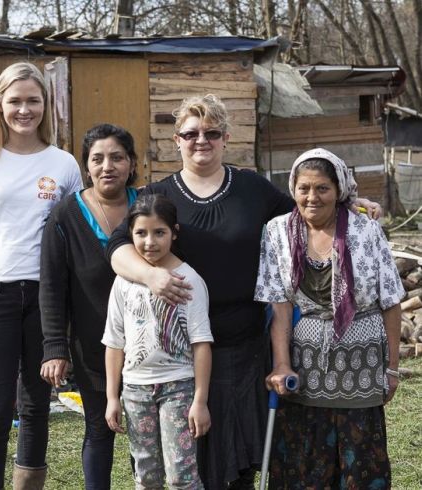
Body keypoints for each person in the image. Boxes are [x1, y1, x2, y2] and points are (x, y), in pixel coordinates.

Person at [107, 94, 382, 489]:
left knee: (238, 459)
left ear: (226, 138)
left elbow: (306, 212)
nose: (201, 140)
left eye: (211, 132)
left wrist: (352, 203)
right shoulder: (158, 196)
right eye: (190, 133)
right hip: (179, 354)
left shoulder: (253, 188)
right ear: (176, 140)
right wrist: (151, 277)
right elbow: (116, 247)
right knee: (187, 458)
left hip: (243, 347)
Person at [0, 62, 82, 490]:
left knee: (37, 405)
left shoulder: (63, 164)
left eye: (33, 101)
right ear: (0, 104)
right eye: (15, 101)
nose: (24, 110)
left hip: (46, 299)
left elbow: (76, 240)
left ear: (46, 105)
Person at [254, 148, 403, 489]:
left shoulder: (366, 230)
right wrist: (280, 364)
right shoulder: (277, 231)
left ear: (339, 191)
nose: (312, 196)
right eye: (304, 188)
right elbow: (278, 303)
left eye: (322, 188)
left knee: (360, 464)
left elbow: (391, 301)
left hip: (361, 368)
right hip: (304, 369)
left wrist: (392, 368)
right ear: (293, 188)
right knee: (306, 466)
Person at [39, 123, 138, 489]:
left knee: (146, 435)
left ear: (131, 163)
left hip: (148, 347)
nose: (107, 166)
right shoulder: (66, 214)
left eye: (117, 157)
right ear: (86, 166)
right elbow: (52, 285)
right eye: (97, 159)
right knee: (100, 427)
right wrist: (55, 347)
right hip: (92, 344)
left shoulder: (146, 207)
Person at [103, 194, 213, 488]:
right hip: (135, 390)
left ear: (174, 233)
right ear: (130, 235)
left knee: (181, 475)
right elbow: (114, 342)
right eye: (141, 233)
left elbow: (201, 343)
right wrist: (113, 397)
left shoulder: (189, 280)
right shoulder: (123, 281)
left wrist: (199, 400)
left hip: (179, 388)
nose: (149, 242)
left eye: (159, 232)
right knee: (146, 474)